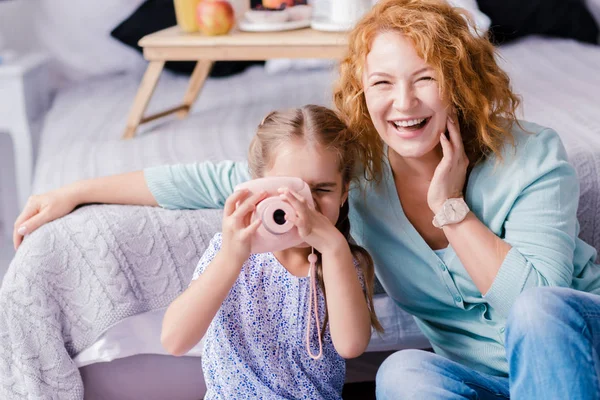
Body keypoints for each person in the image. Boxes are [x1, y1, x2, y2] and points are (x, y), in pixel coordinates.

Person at [11, 0, 600, 398]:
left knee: (538, 310)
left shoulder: (533, 156)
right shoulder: (356, 173)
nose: (404, 103)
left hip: (576, 357)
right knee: (402, 373)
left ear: (461, 85)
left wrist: (454, 209)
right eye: (382, 83)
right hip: (478, 379)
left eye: (426, 78)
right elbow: (211, 179)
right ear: (361, 92)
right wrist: (77, 190)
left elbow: (537, 301)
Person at [161, 105, 382, 399]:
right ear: (258, 184)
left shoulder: (341, 260)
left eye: (322, 190)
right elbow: (175, 341)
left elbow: (351, 345)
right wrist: (231, 256)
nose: (306, 205)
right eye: (290, 189)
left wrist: (334, 248)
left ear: (344, 193)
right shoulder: (229, 253)